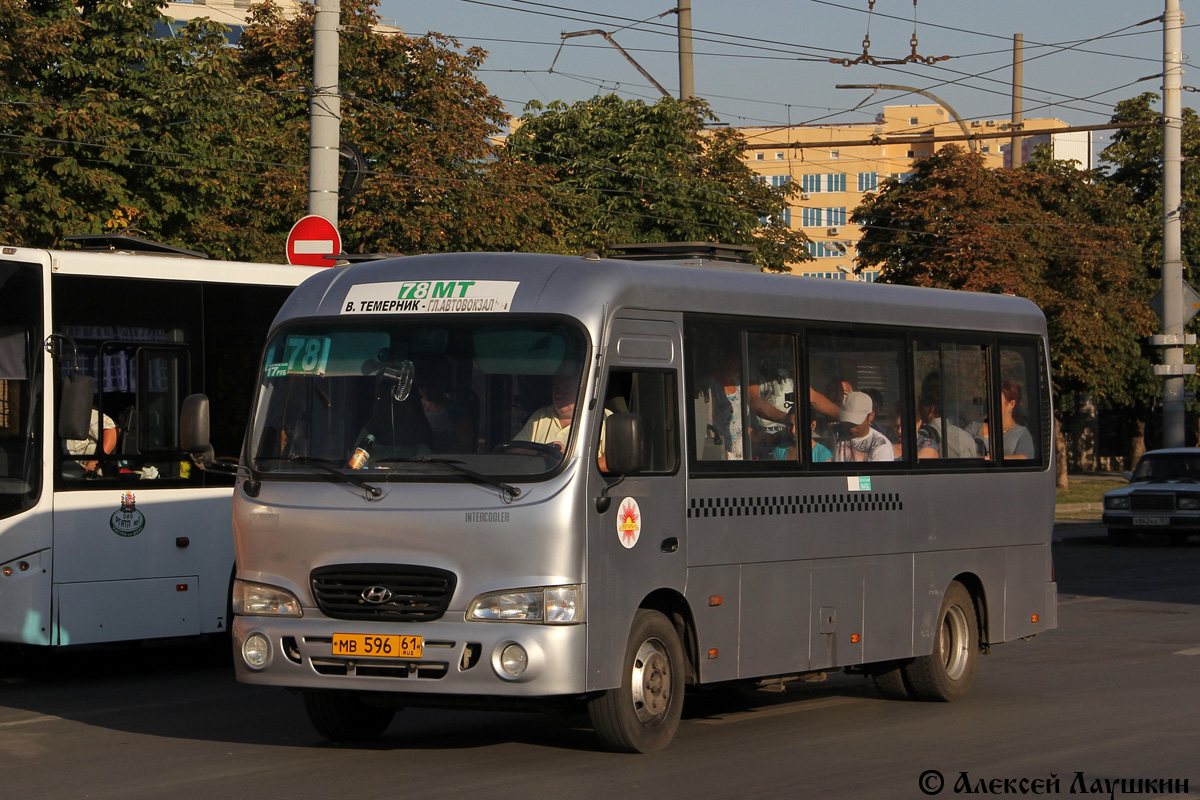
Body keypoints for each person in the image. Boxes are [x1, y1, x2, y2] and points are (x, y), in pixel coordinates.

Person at [515, 368, 610, 468]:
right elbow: (516, 450)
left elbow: (615, 462)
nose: (559, 394)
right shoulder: (541, 415)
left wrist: (570, 460)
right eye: (556, 388)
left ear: (582, 391)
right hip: (539, 479)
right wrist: (542, 451)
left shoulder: (603, 417)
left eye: (567, 388)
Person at [834, 391, 893, 462]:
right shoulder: (834, 433)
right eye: (847, 421)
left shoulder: (880, 445)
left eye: (856, 421)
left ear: (871, 416)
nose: (851, 426)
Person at [65, 408, 116, 476]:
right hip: (66, 472)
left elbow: (110, 431)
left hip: (91, 476)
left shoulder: (79, 413)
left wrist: (95, 461)